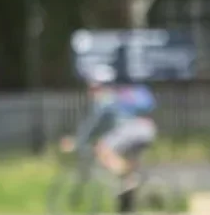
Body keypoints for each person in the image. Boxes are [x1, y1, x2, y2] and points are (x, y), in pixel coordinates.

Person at [60, 67, 158, 196]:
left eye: (91, 87)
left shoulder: (104, 99)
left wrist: (76, 141)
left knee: (102, 149)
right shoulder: (120, 94)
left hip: (130, 129)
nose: (89, 91)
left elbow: (93, 125)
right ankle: (132, 192)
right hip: (147, 129)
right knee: (127, 160)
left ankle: (132, 178)